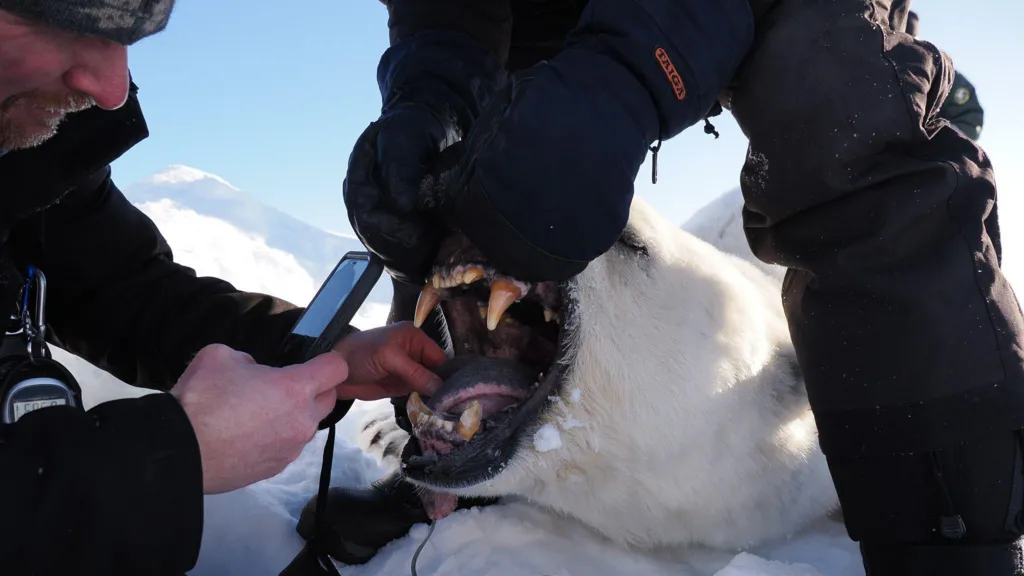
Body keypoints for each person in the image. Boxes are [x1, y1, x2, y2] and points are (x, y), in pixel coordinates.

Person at [322, 0, 1024, 574]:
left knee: (837, 109)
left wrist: (622, 79)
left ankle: (949, 531)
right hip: (548, 19)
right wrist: (433, 97)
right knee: (468, 183)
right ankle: (461, 435)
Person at [0, 2, 449, 574]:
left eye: (128, 40)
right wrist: (163, 459)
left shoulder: (25, 156)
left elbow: (124, 291)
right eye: (65, 25)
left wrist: (316, 353)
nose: (113, 89)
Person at [906, 10, 985, 143]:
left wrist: (937, 140)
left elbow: (969, 119)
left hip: (925, 156)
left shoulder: (941, 74)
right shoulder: (865, 66)